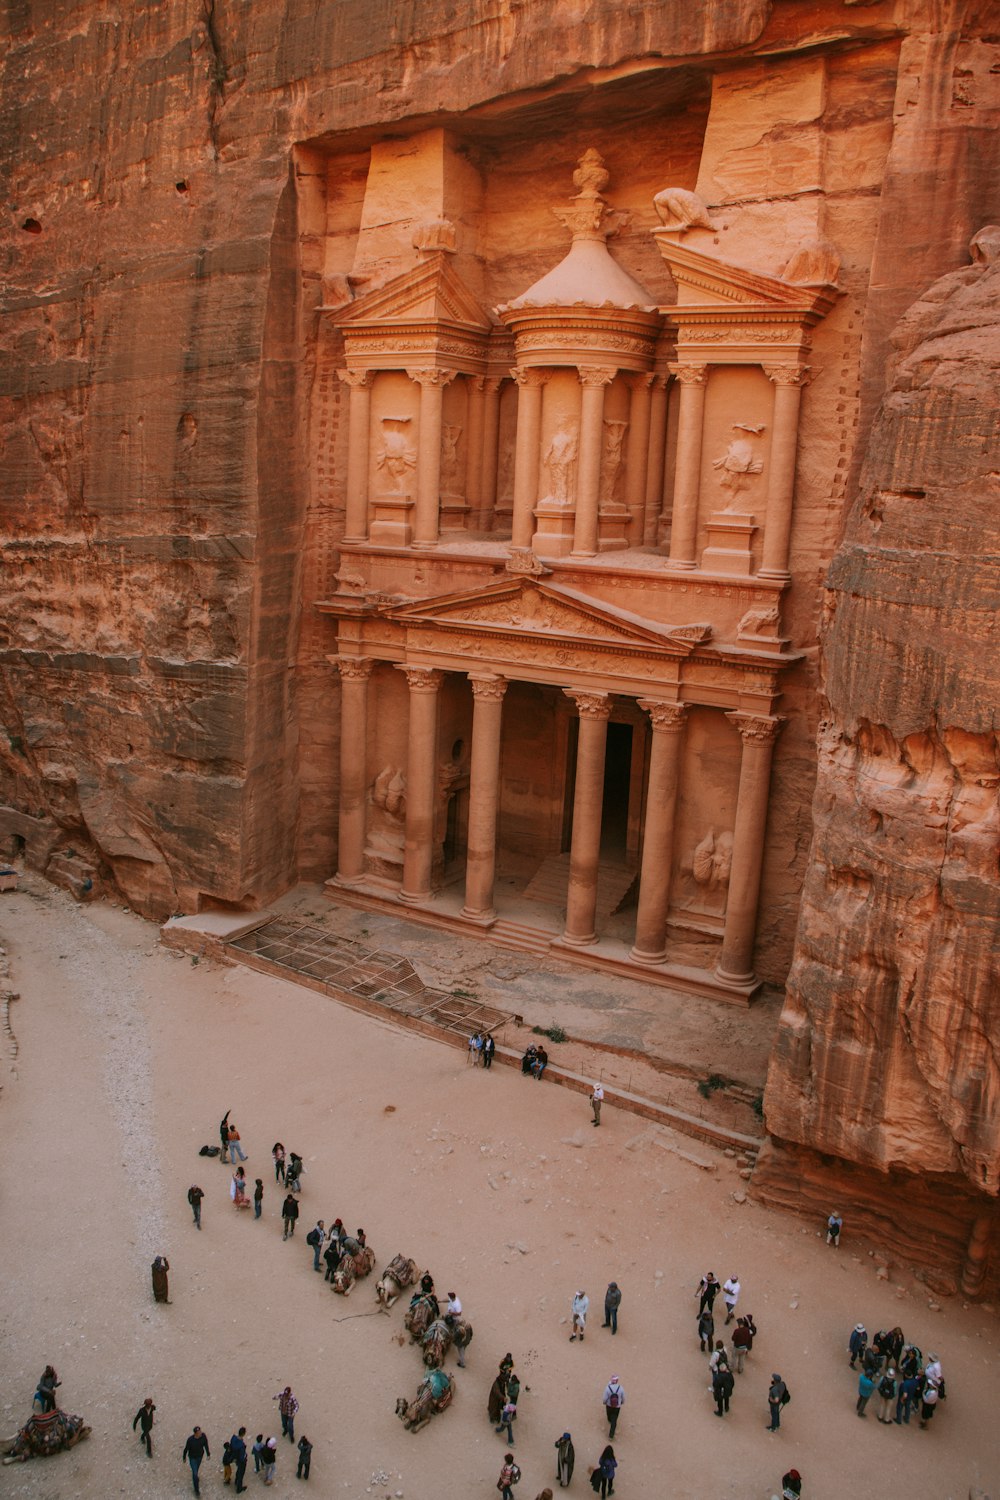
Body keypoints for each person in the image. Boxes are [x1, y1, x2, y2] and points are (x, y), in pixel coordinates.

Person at [182, 1426, 210, 1496]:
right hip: (192, 1458)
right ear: (195, 1433)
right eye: (199, 1432)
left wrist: (208, 1454)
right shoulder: (190, 1440)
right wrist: (184, 1457)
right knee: (195, 1473)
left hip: (199, 1457)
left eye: (200, 1431)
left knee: (196, 1470)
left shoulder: (203, 1436)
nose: (200, 1433)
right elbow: (186, 1449)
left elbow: (206, 1445)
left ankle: (196, 1478)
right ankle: (196, 1490)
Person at [230, 1427, 248, 1493]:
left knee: (239, 1471)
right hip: (241, 1461)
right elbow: (242, 1456)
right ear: (244, 1434)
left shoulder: (233, 1438)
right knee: (241, 1473)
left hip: (235, 1457)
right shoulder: (241, 1445)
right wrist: (245, 1457)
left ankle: (236, 1481)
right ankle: (239, 1488)